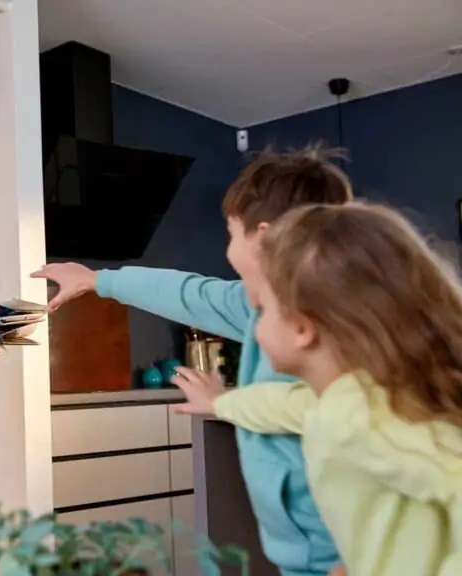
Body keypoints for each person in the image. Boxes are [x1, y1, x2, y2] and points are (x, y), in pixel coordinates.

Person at [31, 146, 352, 576]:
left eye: (231, 235)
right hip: (299, 558)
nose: (228, 253)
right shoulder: (256, 307)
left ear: (262, 237)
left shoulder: (346, 329)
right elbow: (191, 293)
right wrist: (96, 279)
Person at [170, 202, 462, 576]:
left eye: (263, 308)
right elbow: (281, 404)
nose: (255, 326)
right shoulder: (349, 397)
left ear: (302, 329)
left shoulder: (360, 417)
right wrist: (220, 404)